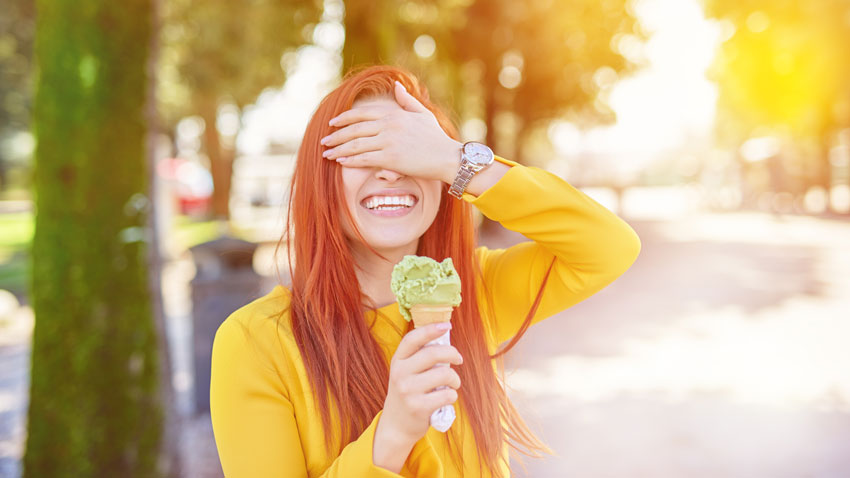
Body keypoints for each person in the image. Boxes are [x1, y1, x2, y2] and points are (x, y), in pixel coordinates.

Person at [209, 64, 641, 477]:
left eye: (409, 151)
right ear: (321, 179)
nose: (391, 171)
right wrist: (392, 435)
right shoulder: (255, 343)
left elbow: (608, 246)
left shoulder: (474, 291)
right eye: (364, 149)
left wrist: (457, 160)